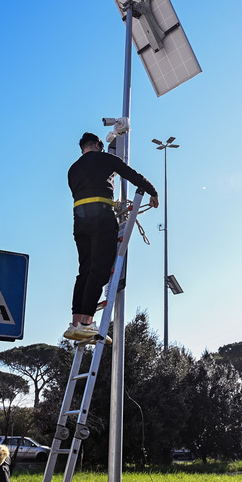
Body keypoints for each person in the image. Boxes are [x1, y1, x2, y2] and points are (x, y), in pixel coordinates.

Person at [65, 132, 159, 341]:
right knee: (99, 270)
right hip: (101, 217)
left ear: (82, 149)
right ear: (98, 145)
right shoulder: (106, 159)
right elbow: (133, 175)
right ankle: (87, 324)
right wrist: (153, 192)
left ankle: (75, 323)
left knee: (84, 270)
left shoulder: (73, 169)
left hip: (80, 220)